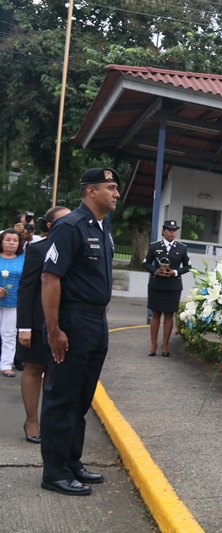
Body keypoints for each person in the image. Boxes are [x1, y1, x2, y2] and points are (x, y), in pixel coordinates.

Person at [39, 167, 119, 496]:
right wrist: (54, 329)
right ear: (91, 191)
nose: (116, 193)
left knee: (81, 398)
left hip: (96, 323)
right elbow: (50, 278)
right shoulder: (69, 226)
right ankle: (54, 472)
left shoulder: (102, 228)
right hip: (72, 321)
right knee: (62, 398)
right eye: (110, 187)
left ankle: (71, 462)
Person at [17, 206, 71, 444]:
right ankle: (31, 421)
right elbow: (26, 289)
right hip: (38, 319)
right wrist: (24, 327)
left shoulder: (74, 248)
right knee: (34, 367)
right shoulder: (38, 249)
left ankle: (49, 421)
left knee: (54, 370)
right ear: (50, 225)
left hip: (65, 320)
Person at [143, 220, 191, 357]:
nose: (172, 233)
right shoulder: (155, 246)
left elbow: (188, 266)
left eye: (174, 230)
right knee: (155, 313)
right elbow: (146, 263)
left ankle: (165, 344)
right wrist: (155, 271)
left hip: (173, 286)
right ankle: (153, 344)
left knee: (169, 314)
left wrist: (175, 272)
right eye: (169, 230)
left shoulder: (182, 248)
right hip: (156, 285)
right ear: (163, 231)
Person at [0, 228, 25, 377]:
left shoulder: (24, 259)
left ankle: (6, 365)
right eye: (8, 240)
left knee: (9, 334)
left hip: (14, 302)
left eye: (15, 240)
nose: (11, 243)